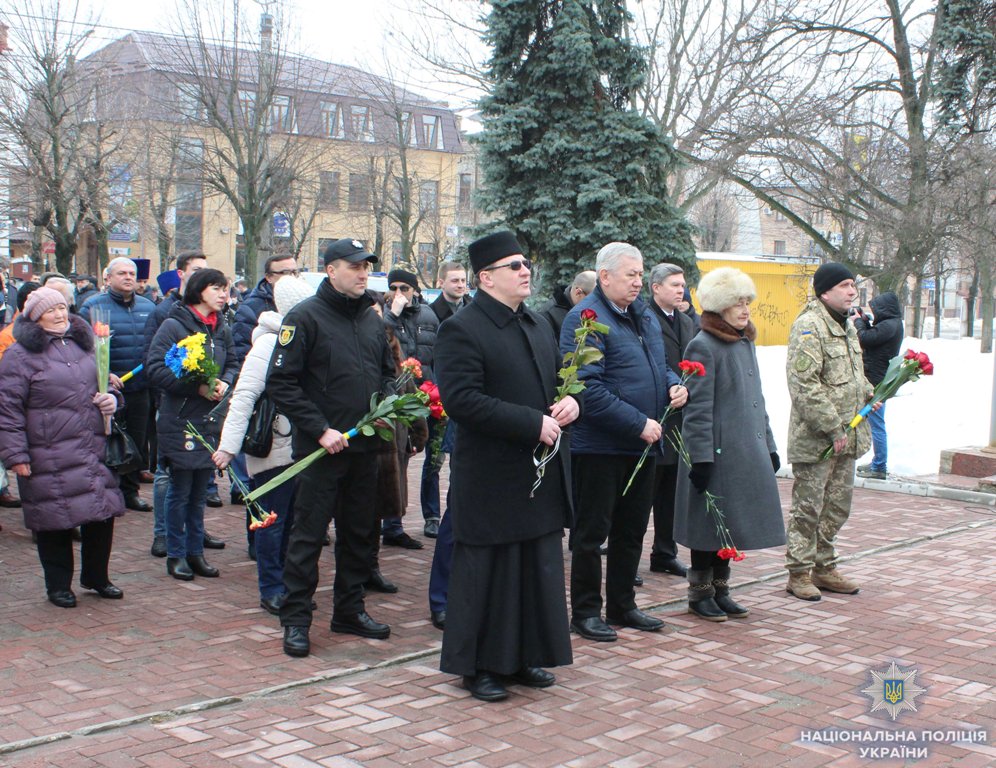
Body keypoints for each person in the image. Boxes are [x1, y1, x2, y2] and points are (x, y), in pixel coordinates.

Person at [435, 230, 579, 703]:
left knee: (532, 567)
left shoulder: (537, 324)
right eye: (513, 265)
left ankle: (523, 656)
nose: (525, 271)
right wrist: (530, 423)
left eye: (525, 264)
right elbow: (463, 401)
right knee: (489, 572)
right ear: (486, 277)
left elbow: (556, 381)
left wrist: (569, 403)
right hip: (491, 475)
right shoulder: (463, 327)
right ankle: (480, 667)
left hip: (535, 472)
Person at [267, 238, 396, 658]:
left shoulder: (372, 320)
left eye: (367, 267)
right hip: (321, 450)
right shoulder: (305, 318)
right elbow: (282, 383)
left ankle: (350, 609)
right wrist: (320, 428)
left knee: (360, 533)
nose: (363, 274)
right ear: (331, 270)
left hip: (364, 448)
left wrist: (385, 407)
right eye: (354, 267)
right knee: (307, 535)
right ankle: (296, 620)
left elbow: (386, 374)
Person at [561, 242, 687, 643]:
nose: (638, 282)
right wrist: (638, 423)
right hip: (600, 446)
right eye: (631, 275)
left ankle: (622, 604)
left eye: (640, 274)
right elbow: (586, 390)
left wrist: (672, 386)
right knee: (591, 533)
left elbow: (659, 364)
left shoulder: (643, 316)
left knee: (632, 530)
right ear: (605, 277)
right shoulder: (585, 318)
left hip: (642, 444)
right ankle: (585, 611)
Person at [0, 287, 125, 606]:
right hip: (47, 451)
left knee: (101, 512)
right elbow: (8, 408)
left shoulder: (86, 344)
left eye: (61, 307)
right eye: (49, 310)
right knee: (53, 519)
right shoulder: (19, 355)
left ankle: (97, 577)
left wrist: (113, 399)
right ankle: (58, 585)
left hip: (90, 444)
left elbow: (106, 384)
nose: (58, 314)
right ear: (34, 317)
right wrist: (15, 455)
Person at [673, 268, 785, 621]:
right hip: (716, 453)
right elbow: (697, 407)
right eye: (736, 303)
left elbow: (757, 400)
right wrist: (700, 458)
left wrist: (768, 445)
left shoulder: (744, 342)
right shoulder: (703, 345)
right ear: (718, 308)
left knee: (729, 525)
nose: (744, 309)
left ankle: (721, 589)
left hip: (742, 451)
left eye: (746, 301)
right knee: (707, 528)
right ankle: (700, 594)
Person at [214, 276, 315, 614]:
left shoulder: (313, 339)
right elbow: (243, 397)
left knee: (297, 523)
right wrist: (228, 447)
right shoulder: (269, 344)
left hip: (307, 446)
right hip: (273, 446)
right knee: (273, 520)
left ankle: (292, 584)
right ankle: (271, 586)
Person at [785, 262, 874, 601]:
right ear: (825, 291)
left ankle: (824, 566)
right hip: (819, 439)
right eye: (846, 285)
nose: (852, 291)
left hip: (847, 436)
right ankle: (798, 573)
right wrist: (832, 426)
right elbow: (804, 385)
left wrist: (870, 394)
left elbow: (852, 373)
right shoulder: (809, 326)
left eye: (853, 285)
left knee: (837, 507)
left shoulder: (847, 326)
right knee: (808, 508)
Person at [147, 268, 238, 582]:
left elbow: (234, 361)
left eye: (225, 288)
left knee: (201, 491)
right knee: (180, 491)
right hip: (181, 419)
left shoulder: (221, 328)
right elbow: (156, 368)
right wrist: (195, 387)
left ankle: (196, 552)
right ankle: (176, 554)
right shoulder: (175, 325)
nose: (224, 294)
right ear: (199, 290)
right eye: (217, 288)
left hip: (210, 419)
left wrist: (225, 381)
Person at [80, 257, 156, 512]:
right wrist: (106, 372)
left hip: (139, 387)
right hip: (106, 387)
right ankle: (103, 488)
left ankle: (130, 491)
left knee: (136, 440)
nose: (128, 277)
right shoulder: (92, 306)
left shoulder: (148, 306)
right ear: (108, 277)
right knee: (106, 440)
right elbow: (83, 347)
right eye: (122, 273)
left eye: (132, 273)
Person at [646, 263, 696, 578]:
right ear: (656, 287)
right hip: (653, 417)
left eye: (682, 285)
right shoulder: (644, 318)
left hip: (680, 417)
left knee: (670, 495)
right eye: (674, 285)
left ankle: (664, 552)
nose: (681, 290)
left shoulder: (687, 322)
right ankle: (628, 554)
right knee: (644, 494)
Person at [382, 268, 438, 549]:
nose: (399, 293)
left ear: (416, 289)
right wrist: (392, 313)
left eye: (405, 287)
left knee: (413, 454)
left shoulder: (428, 316)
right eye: (394, 287)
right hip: (394, 396)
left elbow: (436, 355)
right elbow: (382, 343)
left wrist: (434, 391)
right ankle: (390, 524)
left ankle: (396, 522)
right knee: (393, 459)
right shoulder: (384, 315)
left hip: (422, 394)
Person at [423, 261, 471, 539]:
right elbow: (429, 355)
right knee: (433, 459)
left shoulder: (472, 311)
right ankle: (430, 514)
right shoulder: (431, 314)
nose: (460, 285)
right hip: (436, 394)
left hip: (461, 397)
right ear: (441, 282)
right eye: (454, 280)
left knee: (456, 460)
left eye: (463, 280)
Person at [853, 292, 903, 479]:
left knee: (876, 424)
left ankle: (879, 466)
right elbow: (873, 339)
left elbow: (866, 339)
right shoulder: (891, 324)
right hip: (877, 377)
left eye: (875, 309)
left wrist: (858, 323)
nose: (874, 312)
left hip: (876, 381)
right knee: (873, 421)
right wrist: (865, 321)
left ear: (883, 309)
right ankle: (877, 462)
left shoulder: (890, 325)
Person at [232, 255, 299, 362]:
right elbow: (242, 351)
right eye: (285, 273)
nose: (291, 277)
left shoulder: (303, 302)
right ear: (269, 277)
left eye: (295, 273)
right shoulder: (250, 309)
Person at [538, 270, 596, 340]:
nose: (597, 305)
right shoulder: (547, 315)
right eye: (593, 300)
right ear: (578, 293)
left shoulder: (588, 311)